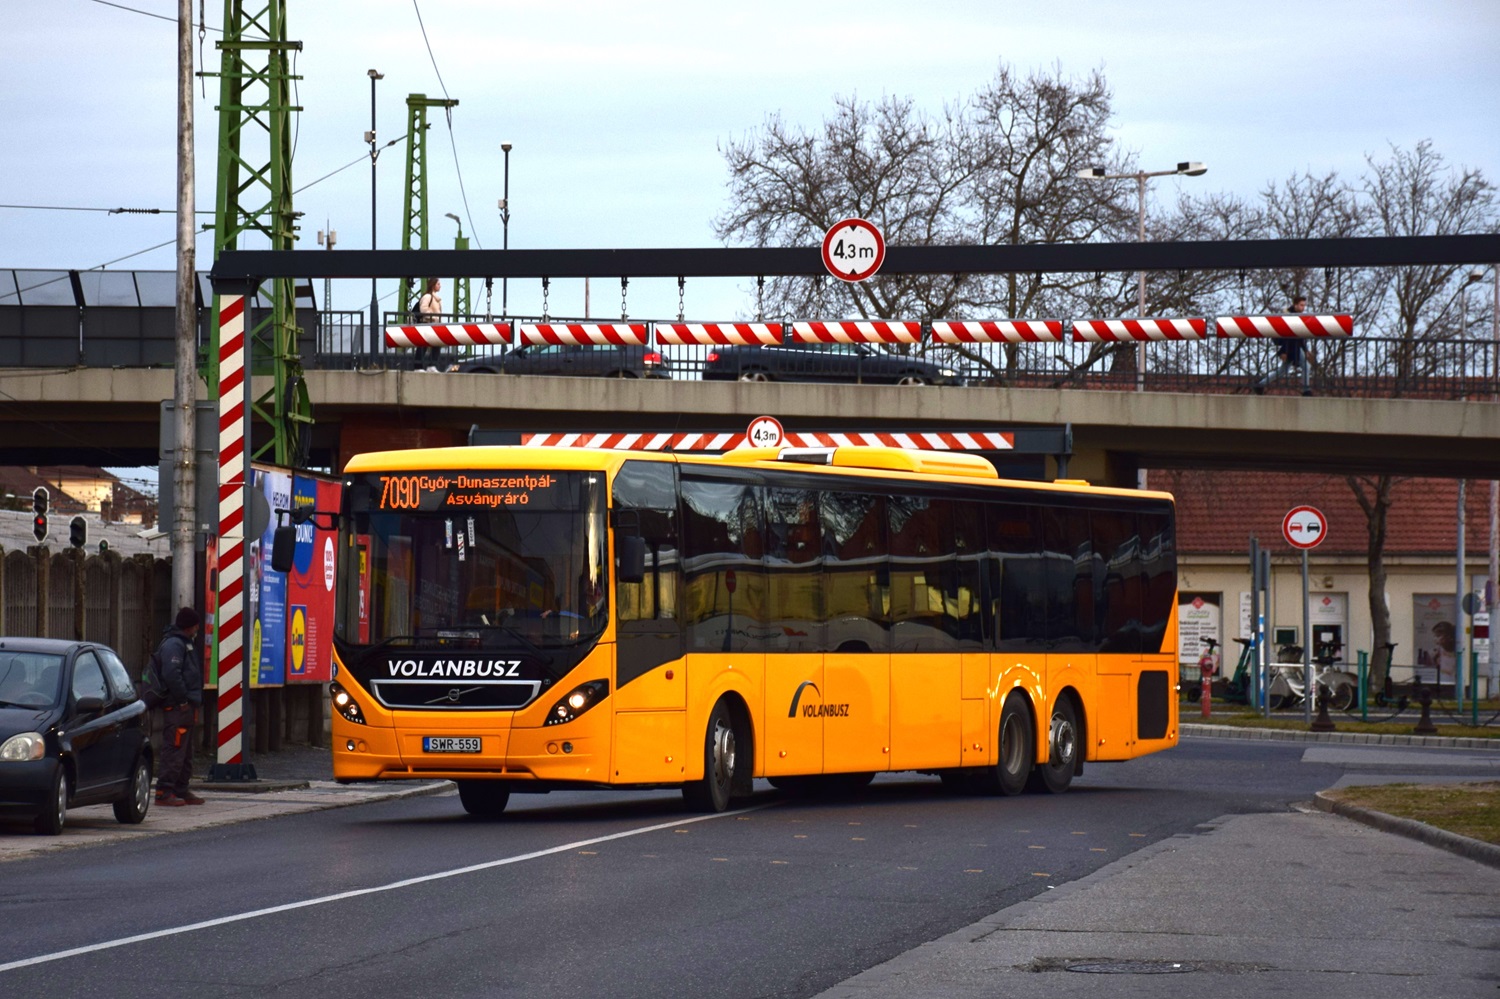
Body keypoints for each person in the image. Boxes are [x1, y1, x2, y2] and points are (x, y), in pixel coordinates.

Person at [154, 607, 206, 806]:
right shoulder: (174, 644)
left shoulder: (184, 642)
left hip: (186, 706)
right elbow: (171, 674)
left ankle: (180, 789)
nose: (198, 628)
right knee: (174, 748)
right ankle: (164, 791)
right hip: (178, 706)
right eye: (196, 625)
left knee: (185, 750)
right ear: (189, 626)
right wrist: (183, 700)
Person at [1252, 294, 1312, 396]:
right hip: (1290, 347)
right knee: (1303, 367)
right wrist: (1284, 351)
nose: (1303, 308)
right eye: (1301, 305)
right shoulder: (1288, 316)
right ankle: (1306, 390)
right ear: (1295, 305)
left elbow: (1300, 335)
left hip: (1294, 347)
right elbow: (1285, 336)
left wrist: (1305, 349)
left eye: (1304, 305)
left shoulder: (1296, 316)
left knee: (1283, 371)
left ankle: (1260, 385)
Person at [413, 277, 444, 371]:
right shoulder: (427, 297)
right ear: (433, 285)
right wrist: (434, 317)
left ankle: (432, 365)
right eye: (438, 284)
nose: (440, 286)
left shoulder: (437, 299)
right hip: (427, 323)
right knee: (423, 345)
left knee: (436, 344)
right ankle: (418, 366)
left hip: (434, 325)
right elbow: (424, 309)